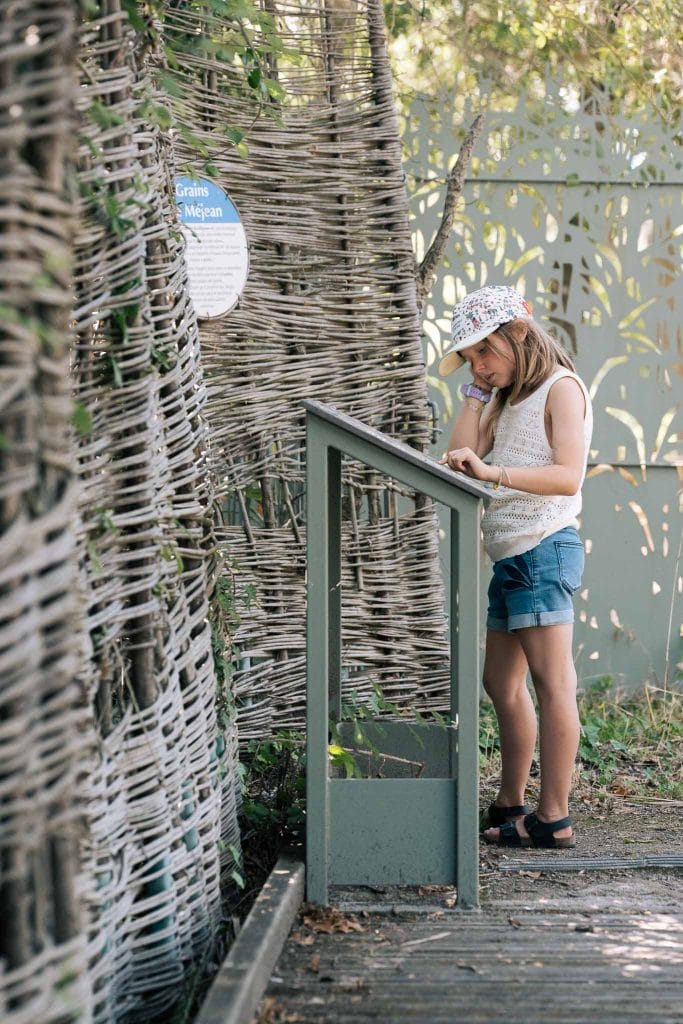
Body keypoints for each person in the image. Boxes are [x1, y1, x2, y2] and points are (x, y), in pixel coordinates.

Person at [437, 284, 593, 848]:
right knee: (500, 681)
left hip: (543, 548)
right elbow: (459, 461)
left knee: (553, 684)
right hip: (511, 558)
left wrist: (494, 474)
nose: (478, 364)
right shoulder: (504, 397)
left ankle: (553, 816)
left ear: (518, 334)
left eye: (484, 352)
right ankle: (511, 799)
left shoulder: (561, 389)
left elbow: (567, 476)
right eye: (471, 358)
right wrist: (477, 393)